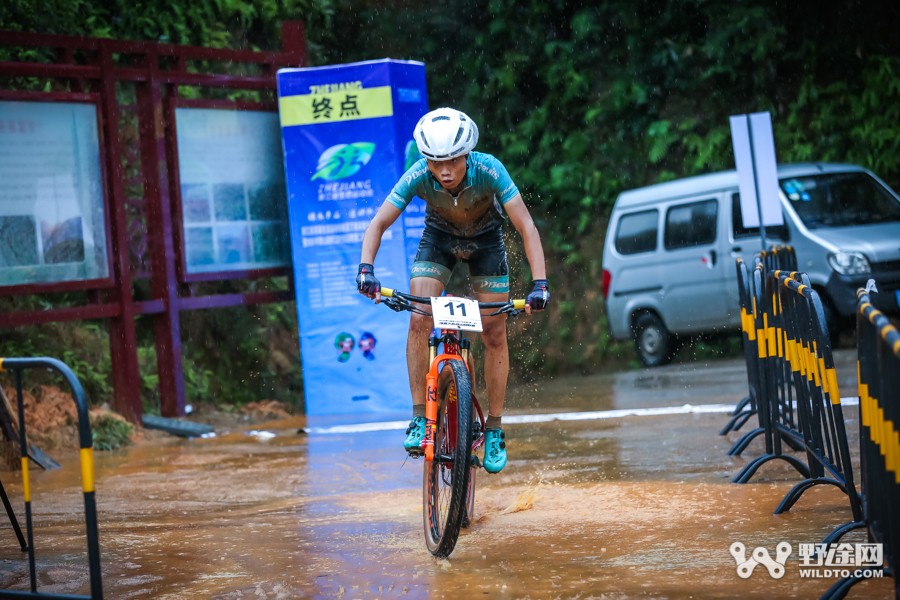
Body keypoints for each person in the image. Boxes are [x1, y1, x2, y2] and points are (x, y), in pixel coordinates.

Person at [356, 107, 549, 473]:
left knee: (493, 330)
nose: (444, 171)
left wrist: (540, 283)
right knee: (419, 318)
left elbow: (525, 226)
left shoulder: (489, 169)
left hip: (486, 242)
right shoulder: (418, 175)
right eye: (435, 162)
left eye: (453, 161)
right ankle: (418, 417)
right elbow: (378, 223)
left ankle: (493, 428)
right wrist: (366, 269)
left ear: (467, 155)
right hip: (439, 240)